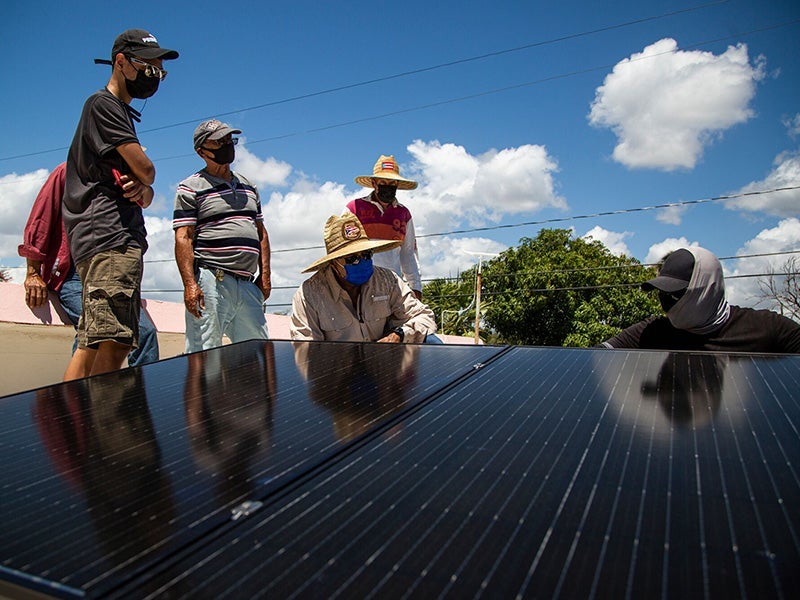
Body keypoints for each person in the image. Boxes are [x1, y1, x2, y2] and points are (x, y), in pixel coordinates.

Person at [62, 29, 178, 380]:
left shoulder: (117, 112)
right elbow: (147, 171)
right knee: (115, 342)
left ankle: (73, 428)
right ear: (121, 62)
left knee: (92, 342)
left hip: (106, 238)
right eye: (149, 66)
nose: (154, 76)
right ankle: (100, 426)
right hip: (110, 238)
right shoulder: (104, 105)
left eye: (160, 70)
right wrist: (145, 177)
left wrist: (143, 187)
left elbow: (144, 190)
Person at [19, 163, 159, 366]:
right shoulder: (68, 171)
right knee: (95, 334)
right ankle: (80, 396)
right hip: (74, 273)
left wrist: (144, 188)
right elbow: (41, 218)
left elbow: (145, 201)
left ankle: (139, 397)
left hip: (116, 271)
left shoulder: (123, 173)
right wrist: (33, 272)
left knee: (144, 334)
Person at [173, 120, 272, 352]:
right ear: (201, 151)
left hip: (248, 283)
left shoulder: (249, 186)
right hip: (211, 280)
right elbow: (184, 237)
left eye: (229, 140)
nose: (226, 145)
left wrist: (265, 275)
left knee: (258, 352)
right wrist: (190, 284)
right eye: (218, 142)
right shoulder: (190, 187)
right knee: (205, 354)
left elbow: (261, 233)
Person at [601, 246, 800, 352]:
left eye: (675, 292)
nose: (666, 301)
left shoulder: (767, 328)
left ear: (707, 289)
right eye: (662, 292)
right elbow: (593, 358)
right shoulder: (652, 331)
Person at [290, 214, 437, 342]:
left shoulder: (387, 281)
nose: (362, 262)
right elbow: (306, 350)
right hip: (338, 369)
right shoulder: (309, 295)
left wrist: (399, 335)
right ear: (334, 263)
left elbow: (424, 316)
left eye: (366, 255)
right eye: (352, 259)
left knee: (431, 340)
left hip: (384, 363)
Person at [346, 155, 423, 299]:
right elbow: (343, 249)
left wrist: (416, 287)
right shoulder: (354, 208)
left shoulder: (403, 214)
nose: (387, 186)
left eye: (392, 183)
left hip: (393, 286)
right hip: (360, 286)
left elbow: (408, 254)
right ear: (374, 183)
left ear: (397, 185)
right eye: (383, 182)